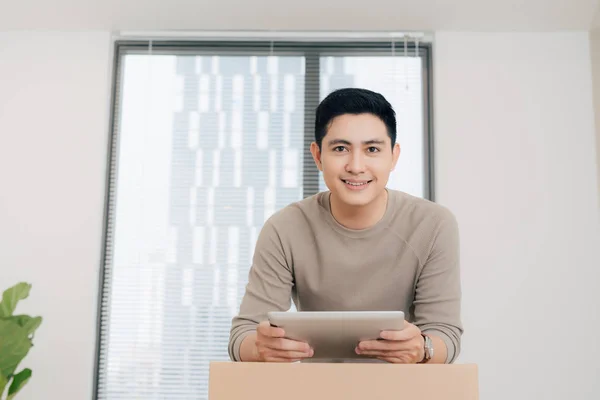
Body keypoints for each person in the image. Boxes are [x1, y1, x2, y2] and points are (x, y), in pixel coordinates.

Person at [228, 88, 462, 364]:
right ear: (317, 156)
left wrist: (424, 348)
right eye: (340, 149)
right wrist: (260, 347)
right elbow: (242, 335)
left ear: (394, 156)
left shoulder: (433, 224)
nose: (356, 166)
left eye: (372, 149)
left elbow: (445, 334)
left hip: (401, 387)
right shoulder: (284, 228)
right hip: (313, 388)